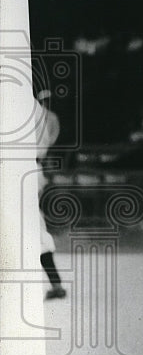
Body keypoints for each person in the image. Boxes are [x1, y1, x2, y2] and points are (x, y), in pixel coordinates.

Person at [34, 90, 66, 299]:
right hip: (34, 168)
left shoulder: (35, 112)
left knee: (35, 227)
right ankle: (55, 283)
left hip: (24, 169)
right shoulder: (45, 114)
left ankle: (55, 283)